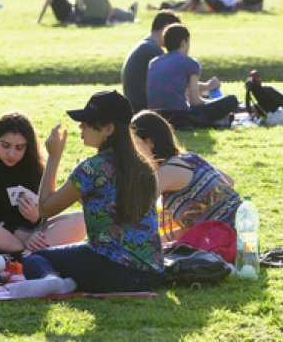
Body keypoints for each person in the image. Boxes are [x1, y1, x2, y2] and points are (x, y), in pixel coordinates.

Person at [18, 91, 162, 295]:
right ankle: (64, 282)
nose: (81, 127)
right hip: (151, 273)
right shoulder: (145, 167)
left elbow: (44, 208)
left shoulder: (92, 168)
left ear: (108, 129)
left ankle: (54, 281)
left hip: (112, 272)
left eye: (87, 122)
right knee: (79, 251)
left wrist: (54, 156)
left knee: (35, 259)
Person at [0, 112, 85, 255]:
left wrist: (36, 217)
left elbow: (45, 211)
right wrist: (20, 234)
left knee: (81, 219)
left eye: (19, 148)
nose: (12, 153)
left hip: (30, 232)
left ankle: (22, 255)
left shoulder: (34, 166)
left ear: (28, 147)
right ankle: (28, 254)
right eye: (5, 146)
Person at [131, 110, 242, 242]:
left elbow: (137, 211)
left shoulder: (166, 172)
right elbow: (229, 181)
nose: (133, 151)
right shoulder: (189, 157)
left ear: (149, 143)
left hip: (224, 241)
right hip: (242, 234)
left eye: (135, 144)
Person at [146, 24, 238, 129]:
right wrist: (213, 102)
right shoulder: (191, 63)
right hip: (181, 116)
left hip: (156, 116)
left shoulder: (154, 62)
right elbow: (195, 101)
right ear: (183, 43)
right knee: (231, 100)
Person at [121, 10, 182, 111]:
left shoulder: (147, 45)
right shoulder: (152, 50)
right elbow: (174, 82)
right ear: (166, 28)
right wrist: (206, 87)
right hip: (143, 107)